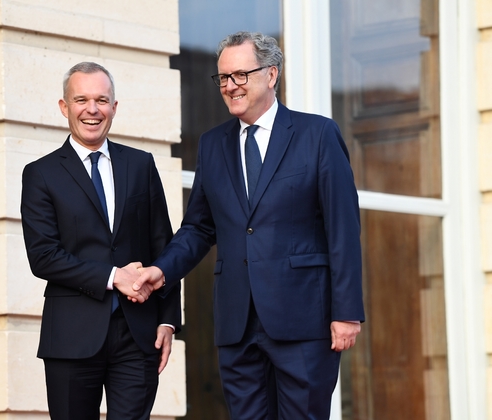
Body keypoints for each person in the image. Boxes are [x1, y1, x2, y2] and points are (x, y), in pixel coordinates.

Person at [133, 32, 365, 419]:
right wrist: (161, 270)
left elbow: (342, 227)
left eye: (240, 75)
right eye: (223, 77)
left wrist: (347, 311)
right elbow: (198, 228)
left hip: (305, 320)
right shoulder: (212, 144)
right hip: (237, 324)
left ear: (271, 74)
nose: (230, 86)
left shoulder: (318, 135)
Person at [20, 61, 181, 420]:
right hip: (71, 338)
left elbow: (164, 247)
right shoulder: (40, 174)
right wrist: (114, 276)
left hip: (138, 336)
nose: (92, 110)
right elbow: (43, 256)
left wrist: (169, 321)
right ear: (64, 107)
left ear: (114, 107)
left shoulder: (140, 165)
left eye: (101, 100)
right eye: (81, 100)